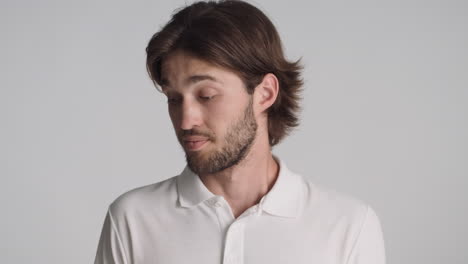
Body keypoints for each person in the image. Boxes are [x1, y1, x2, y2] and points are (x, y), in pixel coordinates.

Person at [94, 1, 386, 263]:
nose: (185, 120)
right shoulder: (132, 219)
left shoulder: (348, 225)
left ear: (265, 94)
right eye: (173, 98)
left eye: (206, 95)